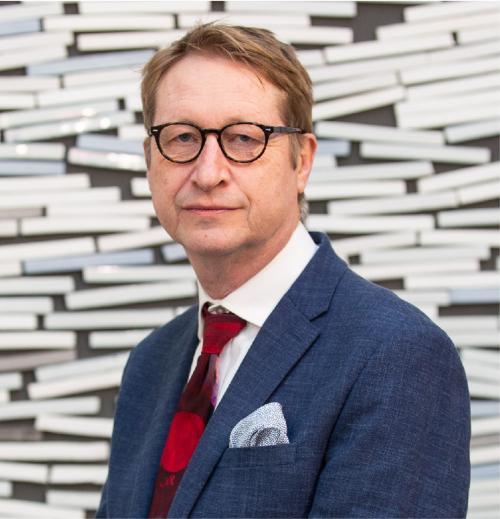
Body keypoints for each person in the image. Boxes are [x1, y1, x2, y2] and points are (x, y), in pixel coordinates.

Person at [96, 24, 470, 519]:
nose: (208, 173)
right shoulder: (151, 363)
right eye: (183, 137)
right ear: (150, 161)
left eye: (244, 138)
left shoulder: (396, 353)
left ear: (302, 161)